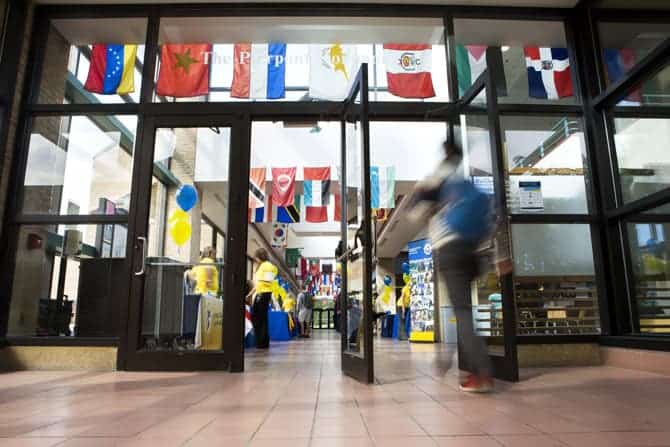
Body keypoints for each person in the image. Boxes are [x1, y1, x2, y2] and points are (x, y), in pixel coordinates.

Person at [412, 139, 494, 393]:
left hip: (449, 249)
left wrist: (429, 208)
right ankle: (467, 368)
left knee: (462, 312)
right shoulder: (464, 183)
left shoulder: (437, 180)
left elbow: (414, 214)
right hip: (472, 251)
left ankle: (481, 372)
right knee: (464, 310)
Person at [251, 248, 278, 349]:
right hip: (262, 293)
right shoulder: (263, 266)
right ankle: (262, 341)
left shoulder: (267, 266)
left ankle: (262, 342)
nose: (255, 260)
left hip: (263, 293)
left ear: (259, 257)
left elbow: (268, 280)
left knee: (259, 318)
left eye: (256, 258)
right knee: (261, 318)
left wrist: (259, 281)